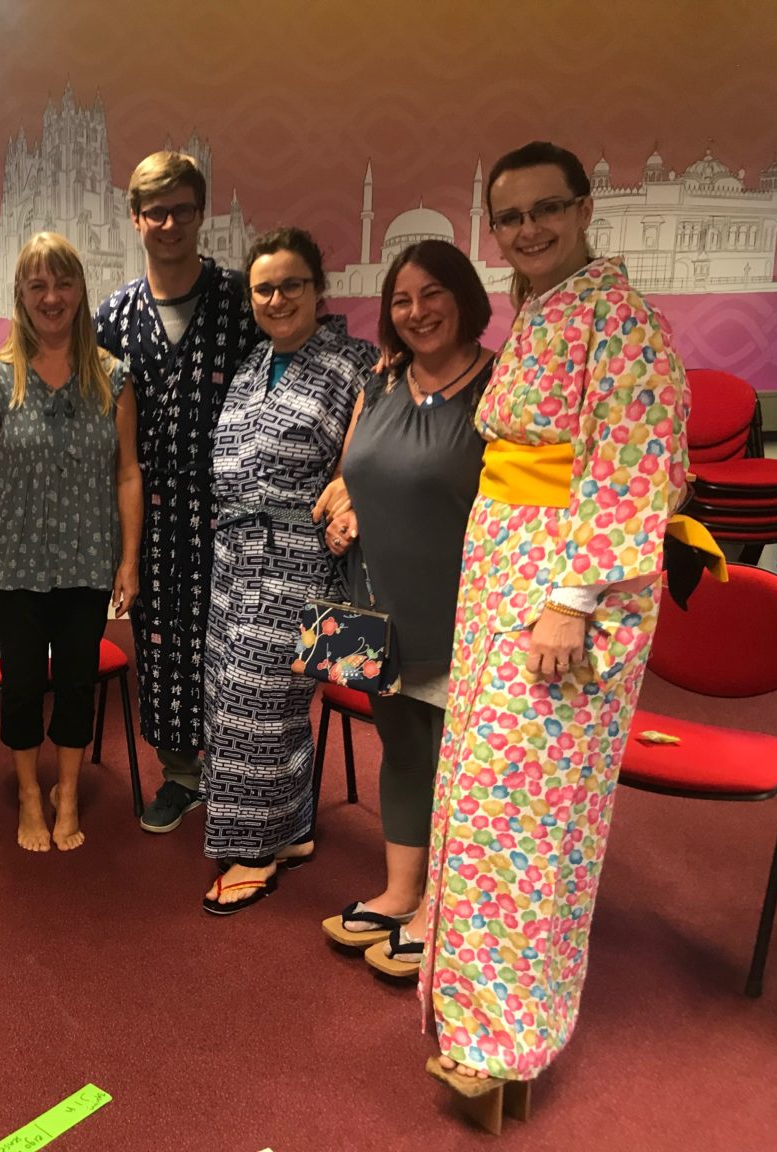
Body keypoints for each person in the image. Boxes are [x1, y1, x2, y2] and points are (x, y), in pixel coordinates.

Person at [419, 142, 688, 1113]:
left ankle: (505, 1035)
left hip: (563, 596)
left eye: (546, 209)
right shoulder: (543, 311)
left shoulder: (624, 324)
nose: (528, 229)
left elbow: (634, 473)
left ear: (583, 210)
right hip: (506, 578)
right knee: (483, 804)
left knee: (527, 820)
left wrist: (571, 602)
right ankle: (474, 1013)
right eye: (510, 216)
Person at [311, 240, 494, 977]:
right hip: (370, 607)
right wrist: (344, 509)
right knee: (403, 752)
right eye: (402, 300)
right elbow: (350, 474)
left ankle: (442, 911)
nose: (417, 312)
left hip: (459, 612)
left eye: (432, 294)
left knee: (459, 767)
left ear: (465, 297)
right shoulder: (380, 381)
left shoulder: (499, 386)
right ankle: (398, 892)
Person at [201, 228, 375, 914]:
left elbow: (371, 455)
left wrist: (348, 490)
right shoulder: (253, 363)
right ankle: (292, 827)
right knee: (232, 695)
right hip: (234, 557)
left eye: (291, 285)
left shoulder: (357, 363)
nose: (276, 299)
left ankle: (253, 853)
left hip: (302, 560)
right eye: (264, 289)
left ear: (318, 288)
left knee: (259, 709)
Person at [94, 151, 259, 836]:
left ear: (200, 214)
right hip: (150, 510)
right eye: (155, 212)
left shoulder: (244, 301)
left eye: (182, 210)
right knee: (161, 645)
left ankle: (243, 772)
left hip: (235, 507)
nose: (169, 224)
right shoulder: (114, 316)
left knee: (239, 644)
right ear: (135, 218)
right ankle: (181, 775)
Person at [0, 232, 141, 851]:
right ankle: (28, 794)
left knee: (76, 683)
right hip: (16, 563)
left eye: (63, 283)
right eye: (38, 285)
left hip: (88, 561)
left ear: (81, 291)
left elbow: (127, 473)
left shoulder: (113, 379)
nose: (52, 297)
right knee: (20, 686)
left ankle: (66, 791)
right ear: (21, 294)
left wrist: (129, 561)